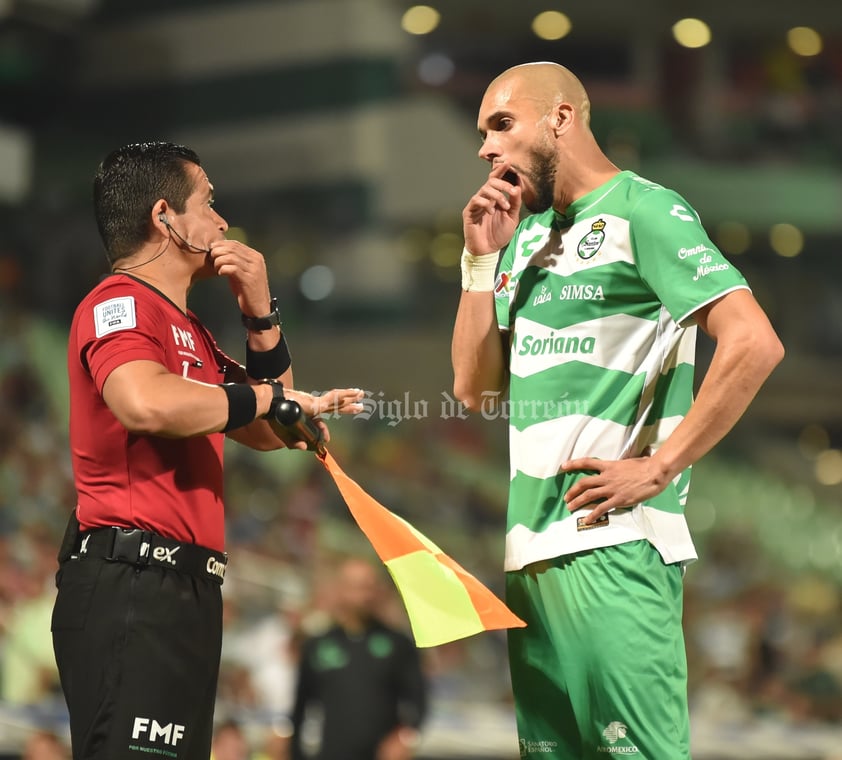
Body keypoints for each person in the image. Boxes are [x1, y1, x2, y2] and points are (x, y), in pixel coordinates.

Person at [451, 63, 785, 758]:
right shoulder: (525, 240)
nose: (485, 148)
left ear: (563, 119)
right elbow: (475, 389)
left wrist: (660, 466)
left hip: (614, 545)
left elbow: (754, 342)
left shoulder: (644, 209)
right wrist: (479, 264)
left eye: (502, 125)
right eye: (484, 132)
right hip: (530, 557)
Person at [51, 141, 365, 760]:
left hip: (184, 591)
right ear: (165, 217)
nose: (222, 223)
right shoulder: (117, 303)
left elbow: (277, 430)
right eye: (209, 204)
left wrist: (259, 314)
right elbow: (148, 402)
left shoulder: (188, 330)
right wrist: (270, 402)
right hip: (131, 582)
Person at [289, 558, 427, 760]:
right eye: (358, 587)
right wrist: (295, 751)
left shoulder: (398, 644)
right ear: (340, 589)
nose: (365, 595)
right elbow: (300, 707)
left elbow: (418, 700)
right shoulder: (318, 646)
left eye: (370, 587)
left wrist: (405, 738)